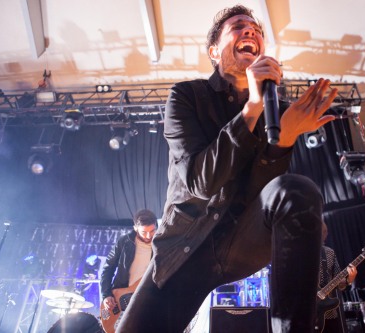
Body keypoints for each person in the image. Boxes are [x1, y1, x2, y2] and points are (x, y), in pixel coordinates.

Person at [118, 5, 338, 333]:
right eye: (238, 27)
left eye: (256, 30)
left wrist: (285, 138)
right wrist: (251, 109)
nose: (251, 32)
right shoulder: (187, 96)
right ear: (214, 51)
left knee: (295, 191)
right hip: (183, 249)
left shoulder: (270, 112)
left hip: (238, 244)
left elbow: (258, 195)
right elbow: (199, 181)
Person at [100, 209, 158, 315]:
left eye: (152, 231)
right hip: (120, 299)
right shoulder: (123, 242)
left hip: (148, 298)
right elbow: (108, 268)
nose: (149, 236)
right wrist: (106, 295)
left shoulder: (161, 246)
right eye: (144, 232)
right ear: (135, 228)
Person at [315, 222, 357, 333]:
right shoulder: (297, 254)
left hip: (328, 313)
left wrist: (349, 279)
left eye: (324, 233)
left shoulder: (329, 253)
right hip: (303, 315)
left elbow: (339, 284)